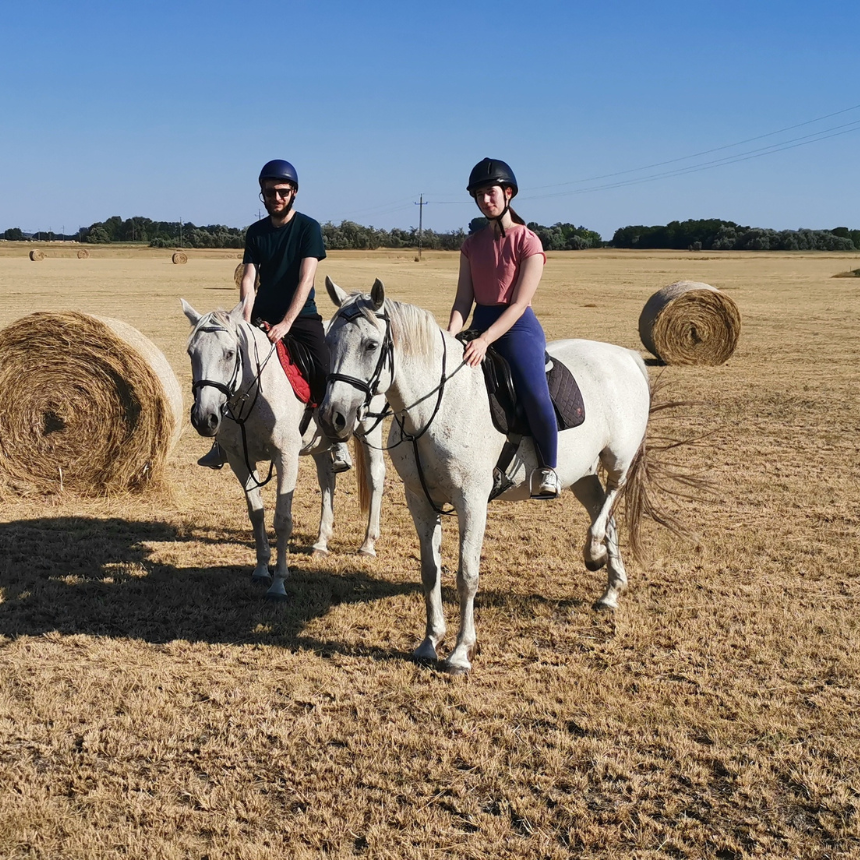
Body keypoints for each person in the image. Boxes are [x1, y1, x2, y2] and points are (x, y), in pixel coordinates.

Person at [198, 159, 351, 473]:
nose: (276, 197)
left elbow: (305, 279)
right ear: (262, 194)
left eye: (282, 191)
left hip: (302, 318)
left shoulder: (308, 228)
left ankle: (337, 441)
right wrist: (242, 321)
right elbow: (248, 279)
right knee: (230, 370)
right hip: (261, 317)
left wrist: (287, 324)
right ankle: (222, 442)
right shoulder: (255, 232)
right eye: (270, 192)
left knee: (324, 369)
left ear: (294, 192)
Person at [446, 157, 559, 498]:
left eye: (491, 193)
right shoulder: (471, 244)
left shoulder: (528, 242)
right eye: (479, 195)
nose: (486, 200)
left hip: (516, 329)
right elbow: (463, 301)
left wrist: (484, 340)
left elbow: (519, 304)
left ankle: (547, 467)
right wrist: (449, 337)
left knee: (535, 391)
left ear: (508, 193)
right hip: (479, 322)